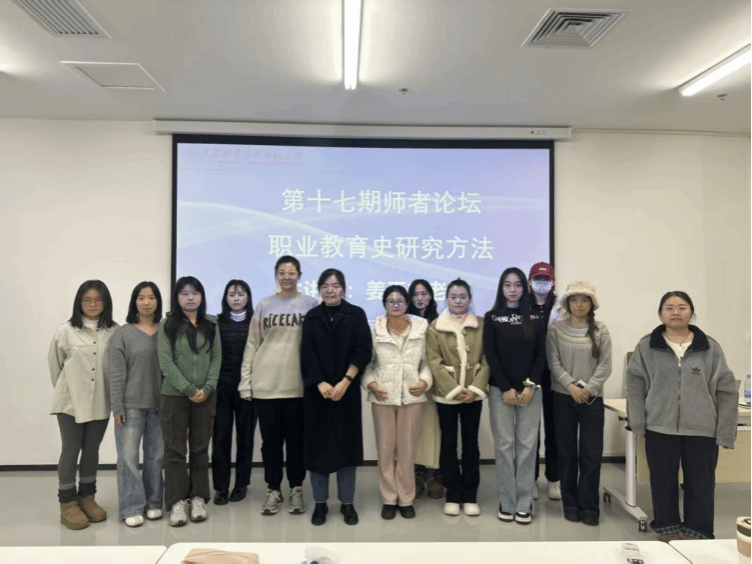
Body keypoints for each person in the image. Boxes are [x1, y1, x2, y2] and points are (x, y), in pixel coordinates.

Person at [626, 291, 737, 541]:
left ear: (692, 312)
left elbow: (727, 390)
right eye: (669, 307)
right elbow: (634, 385)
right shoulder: (646, 346)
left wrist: (726, 432)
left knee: (701, 484)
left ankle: (698, 532)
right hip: (659, 427)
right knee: (662, 482)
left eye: (682, 307)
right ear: (660, 314)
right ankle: (668, 529)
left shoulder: (709, 346)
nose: (675, 312)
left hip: (702, 429)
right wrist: (638, 423)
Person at [239, 256, 318, 516]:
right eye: (282, 272)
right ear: (276, 275)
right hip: (266, 386)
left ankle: (296, 489)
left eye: (291, 272)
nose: (286, 276)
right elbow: (252, 345)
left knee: (296, 444)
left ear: (299, 275)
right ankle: (273, 489)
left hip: (298, 387)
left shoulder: (310, 305)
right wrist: (246, 383)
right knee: (270, 444)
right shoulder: (264, 305)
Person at [300, 268, 372, 526]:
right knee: (317, 450)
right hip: (316, 393)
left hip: (346, 392)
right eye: (325, 285)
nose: (330, 290)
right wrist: (320, 382)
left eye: (335, 285)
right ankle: (320, 504)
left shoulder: (356, 314)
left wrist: (345, 381)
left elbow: (363, 351)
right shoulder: (312, 316)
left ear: (343, 288)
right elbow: (306, 354)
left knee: (346, 450)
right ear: (319, 289)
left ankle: (347, 503)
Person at [49, 280, 117, 530]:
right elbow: (55, 367)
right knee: (70, 450)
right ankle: (67, 503)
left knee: (91, 450)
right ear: (79, 303)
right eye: (87, 300)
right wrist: (71, 390)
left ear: (106, 303)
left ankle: (87, 497)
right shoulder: (65, 331)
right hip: (70, 403)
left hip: (100, 401)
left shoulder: (115, 332)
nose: (92, 304)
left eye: (98, 299)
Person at [363, 285, 432, 520]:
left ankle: (406, 498)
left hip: (412, 396)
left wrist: (424, 382)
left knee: (407, 451)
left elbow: (426, 363)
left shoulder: (421, 328)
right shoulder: (375, 330)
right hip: (383, 396)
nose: (395, 305)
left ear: (407, 303)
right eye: (391, 301)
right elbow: (368, 364)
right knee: (385, 451)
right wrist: (371, 384)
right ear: (384, 304)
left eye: (400, 300)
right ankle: (388, 499)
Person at [546, 280, 612, 526]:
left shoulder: (601, 330)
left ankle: (589, 506)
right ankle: (570, 504)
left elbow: (605, 365)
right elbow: (553, 362)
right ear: (567, 303)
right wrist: (571, 386)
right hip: (563, 397)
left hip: (592, 399)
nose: (579, 304)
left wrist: (588, 389)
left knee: (591, 453)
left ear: (592, 304)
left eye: (585, 300)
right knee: (566, 453)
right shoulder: (556, 329)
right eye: (574, 300)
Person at [484, 267, 546, 524]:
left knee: (527, 446)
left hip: (531, 391)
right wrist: (506, 388)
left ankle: (524, 502)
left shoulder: (536, 317)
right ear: (501, 288)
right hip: (500, 391)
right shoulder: (492, 317)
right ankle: (507, 501)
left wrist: (530, 385)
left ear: (525, 287)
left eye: (518, 284)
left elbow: (541, 355)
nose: (513, 289)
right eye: (508, 284)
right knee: (504, 445)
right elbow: (491, 354)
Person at [158, 276, 221, 527]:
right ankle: (176, 502)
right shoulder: (167, 325)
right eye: (184, 293)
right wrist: (188, 388)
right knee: (175, 451)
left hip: (205, 396)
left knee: (199, 450)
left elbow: (216, 358)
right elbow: (166, 362)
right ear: (177, 298)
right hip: (174, 396)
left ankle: (198, 498)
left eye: (195, 293)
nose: (190, 297)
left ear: (202, 296)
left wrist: (207, 387)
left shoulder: (211, 324)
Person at [425, 278, 489, 517]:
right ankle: (452, 493)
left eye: (463, 297)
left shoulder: (481, 325)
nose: (458, 301)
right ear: (447, 299)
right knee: (448, 443)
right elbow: (434, 361)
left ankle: (470, 495)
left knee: (471, 444)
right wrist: (453, 389)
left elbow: (487, 360)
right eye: (453, 297)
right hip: (446, 395)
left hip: (473, 395)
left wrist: (475, 389)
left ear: (469, 298)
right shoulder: (435, 327)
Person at [108, 281, 164, 527]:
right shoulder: (123, 334)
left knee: (156, 457)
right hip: (131, 406)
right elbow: (116, 373)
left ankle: (154, 502)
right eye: (141, 298)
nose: (146, 302)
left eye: (151, 297)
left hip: (160, 405)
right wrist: (117, 407)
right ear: (134, 302)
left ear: (158, 301)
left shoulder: (166, 331)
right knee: (128, 458)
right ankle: (131, 506)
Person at [212, 279, 257, 506]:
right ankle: (220, 487)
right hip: (222, 388)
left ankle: (241, 484)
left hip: (248, 388)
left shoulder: (256, 322)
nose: (236, 298)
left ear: (248, 298)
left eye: (241, 294)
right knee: (220, 439)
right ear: (225, 298)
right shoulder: (216, 322)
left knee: (245, 439)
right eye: (232, 294)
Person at [407, 279, 444, 500]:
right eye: (415, 294)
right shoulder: (403, 322)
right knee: (415, 429)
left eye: (424, 293)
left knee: (435, 429)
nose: (420, 298)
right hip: (412, 384)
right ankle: (417, 473)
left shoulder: (440, 321)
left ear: (431, 296)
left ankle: (435, 474)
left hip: (436, 384)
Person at [528, 262, 561, 501]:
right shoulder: (522, 305)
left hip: (554, 376)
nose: (541, 283)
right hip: (529, 375)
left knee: (554, 429)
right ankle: (529, 479)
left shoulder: (562, 308)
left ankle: (554, 479)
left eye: (545, 279)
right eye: (537, 279)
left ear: (553, 282)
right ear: (529, 282)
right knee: (529, 431)